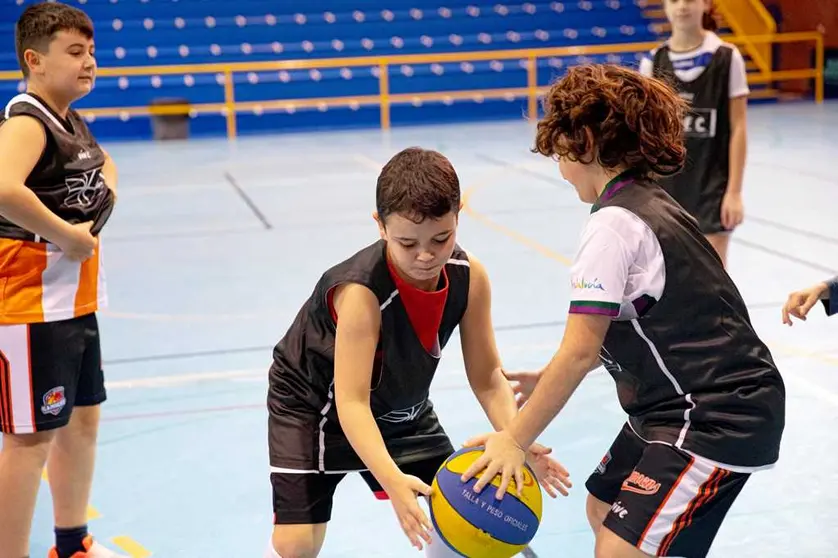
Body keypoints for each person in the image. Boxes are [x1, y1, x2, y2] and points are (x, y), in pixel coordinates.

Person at [460, 64, 785, 558]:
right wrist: (546, 375)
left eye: (559, 150)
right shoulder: (650, 202)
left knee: (618, 548)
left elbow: (579, 350)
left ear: (584, 141)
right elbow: (648, 320)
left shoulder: (613, 225)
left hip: (716, 412)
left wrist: (513, 439)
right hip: (674, 405)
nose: (559, 165)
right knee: (603, 505)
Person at [265, 147, 571, 558]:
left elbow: (486, 376)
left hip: (399, 405)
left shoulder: (469, 276)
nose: (426, 256)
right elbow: (351, 403)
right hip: (313, 406)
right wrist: (391, 480)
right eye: (407, 243)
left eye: (441, 238)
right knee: (296, 546)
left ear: (459, 215)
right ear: (380, 226)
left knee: (465, 515)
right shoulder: (360, 294)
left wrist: (517, 439)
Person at [0, 3, 122, 557]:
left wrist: (104, 205)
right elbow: (3, 187)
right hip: (29, 308)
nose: (88, 62)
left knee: (81, 422)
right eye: (75, 52)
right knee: (28, 442)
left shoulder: (68, 119)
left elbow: (106, 170)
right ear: (34, 59)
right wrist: (66, 236)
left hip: (72, 303)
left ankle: (71, 543)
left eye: (90, 51)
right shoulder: (27, 121)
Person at [639, 0, 749, 267]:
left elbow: (739, 128)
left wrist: (734, 192)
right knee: (667, 275)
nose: (682, 7)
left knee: (713, 274)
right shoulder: (653, 62)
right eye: (674, 0)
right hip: (666, 189)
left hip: (712, 187)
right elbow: (646, 136)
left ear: (705, 5)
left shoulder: (726, 57)